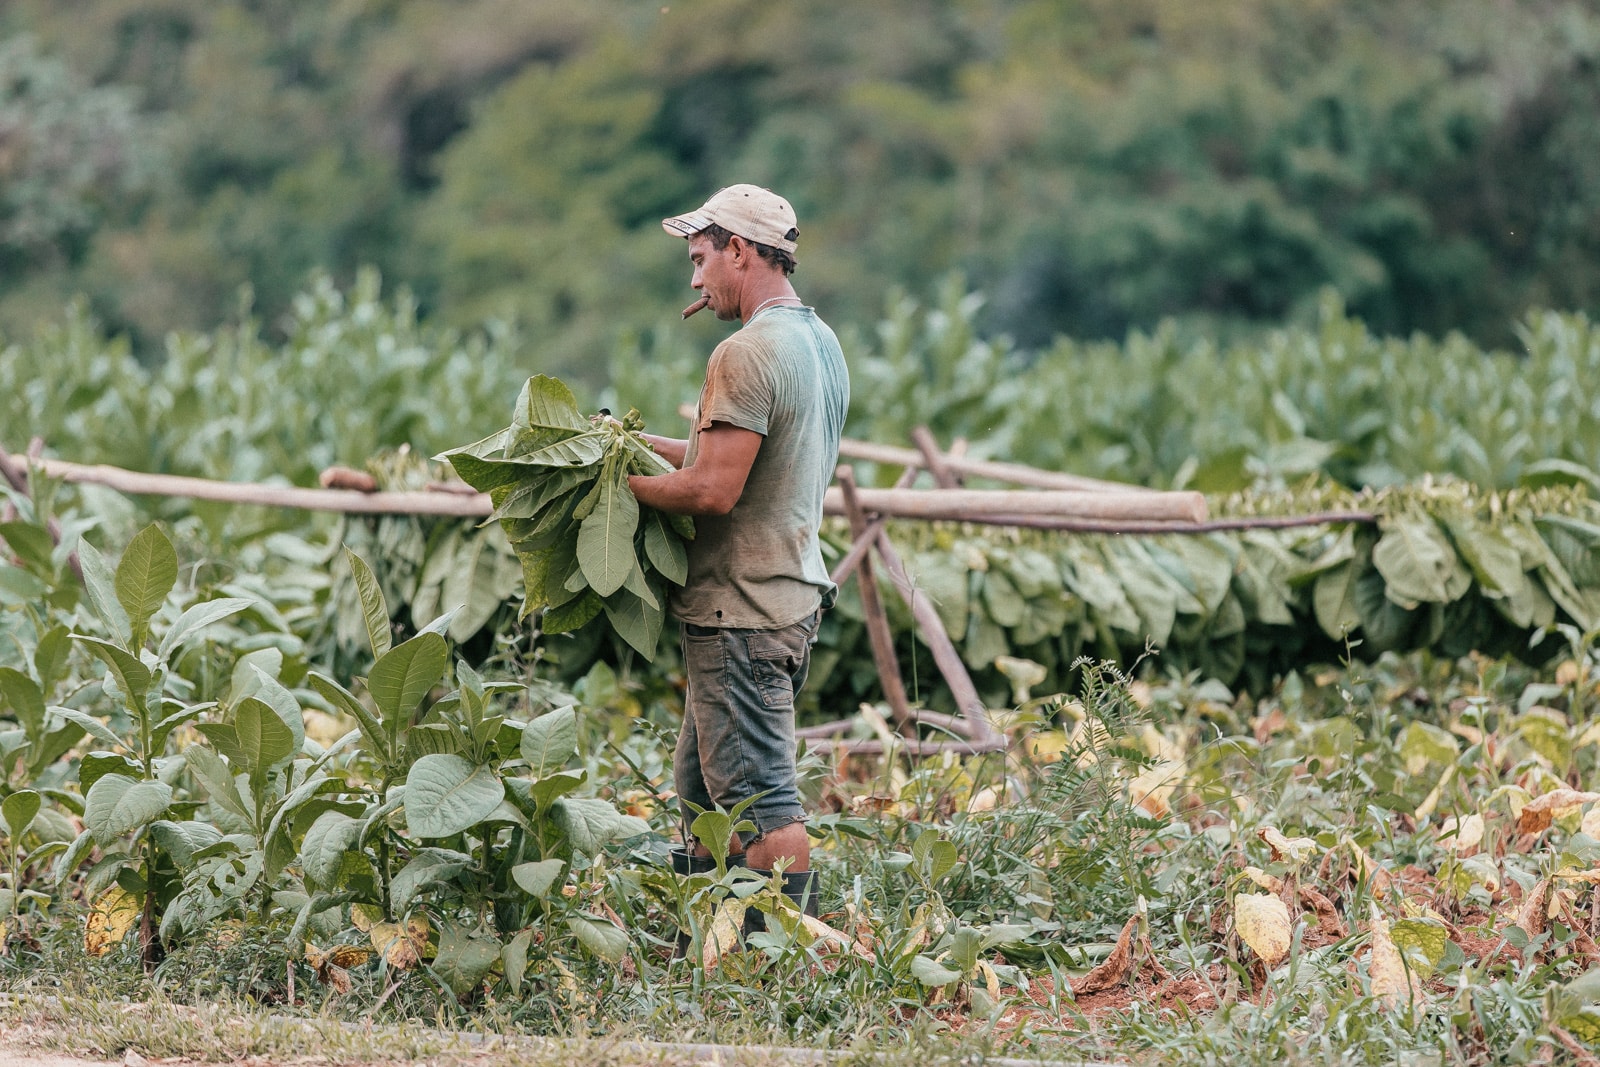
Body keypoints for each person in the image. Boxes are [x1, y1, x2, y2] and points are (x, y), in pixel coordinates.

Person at [626, 184, 849, 916]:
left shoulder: (746, 352)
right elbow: (722, 458)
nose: (696, 280)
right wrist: (623, 446)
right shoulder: (818, 342)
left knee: (761, 800)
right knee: (699, 789)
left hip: (742, 609)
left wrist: (622, 486)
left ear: (741, 251)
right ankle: (701, 944)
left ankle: (782, 957)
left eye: (700, 259)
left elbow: (714, 489)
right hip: (779, 594)